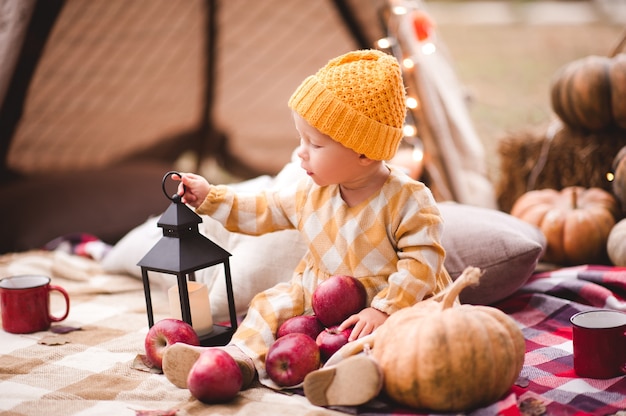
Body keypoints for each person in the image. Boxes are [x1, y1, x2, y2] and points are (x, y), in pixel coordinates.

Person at [163, 49, 451, 405]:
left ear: (364, 152)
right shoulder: (309, 192)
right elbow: (262, 209)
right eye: (301, 139)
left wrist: (384, 309)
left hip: (390, 300)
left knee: (397, 337)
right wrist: (210, 197)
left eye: (314, 143)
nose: (301, 153)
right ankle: (237, 362)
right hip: (320, 297)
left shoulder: (408, 199)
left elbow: (423, 262)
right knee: (271, 303)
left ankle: (352, 379)